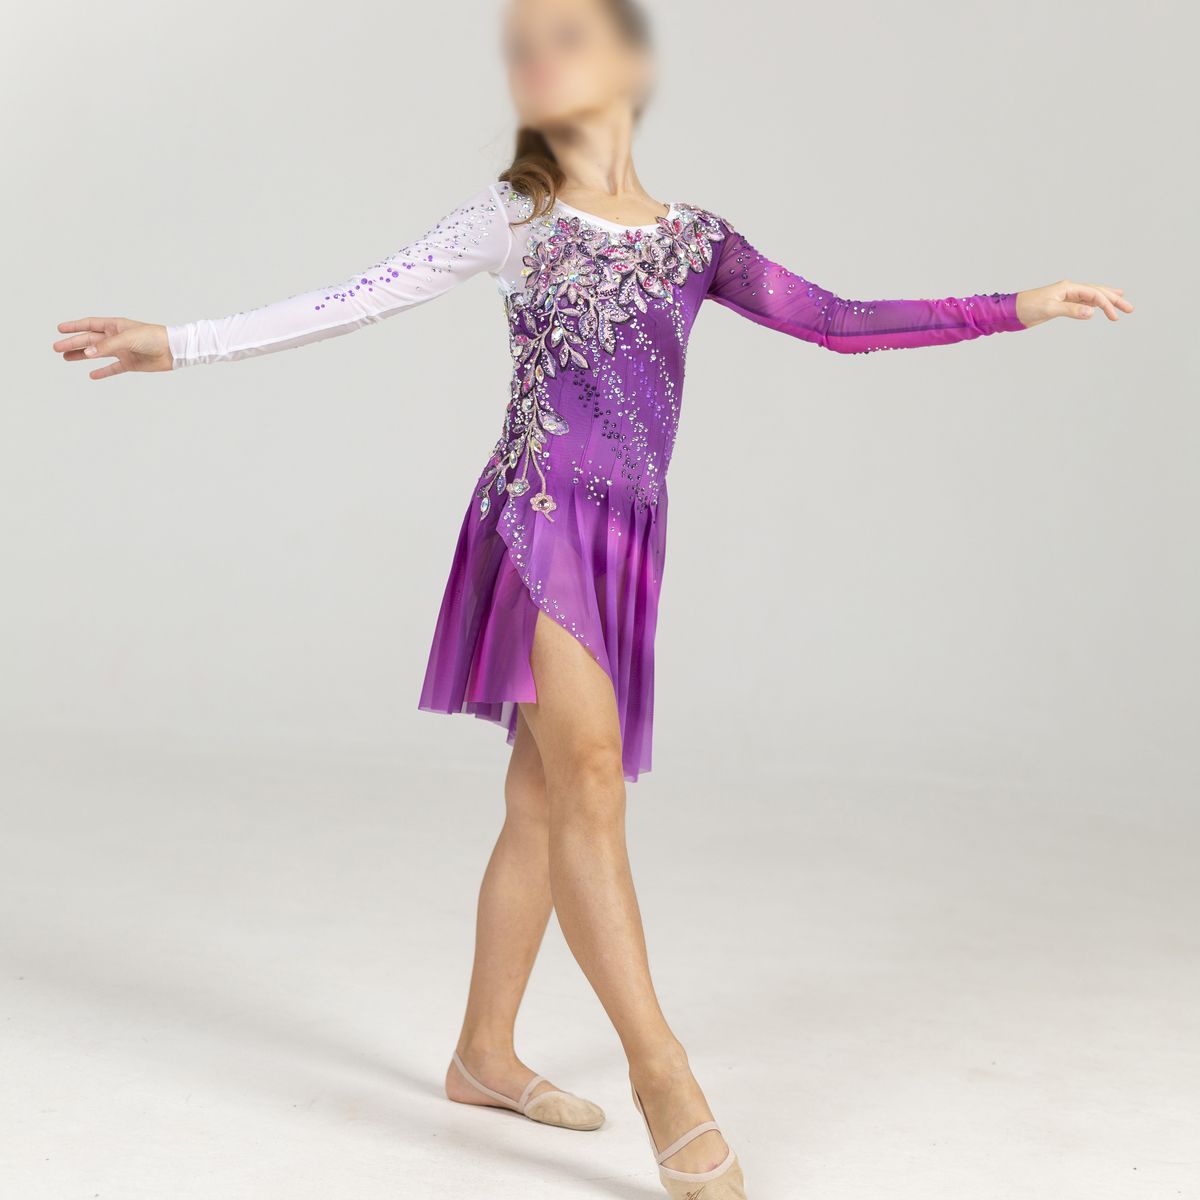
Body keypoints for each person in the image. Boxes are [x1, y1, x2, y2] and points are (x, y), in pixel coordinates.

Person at [52, 0, 1132, 1195]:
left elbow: (835, 322)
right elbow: (353, 298)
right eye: (521, 45)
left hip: (628, 543)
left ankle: (482, 1054)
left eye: (564, 35)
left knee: (540, 798)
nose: (534, 56)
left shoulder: (698, 239)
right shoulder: (516, 217)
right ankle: (667, 1080)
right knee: (592, 786)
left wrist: (1013, 306)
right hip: (539, 522)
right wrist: (185, 341)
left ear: (629, 62)